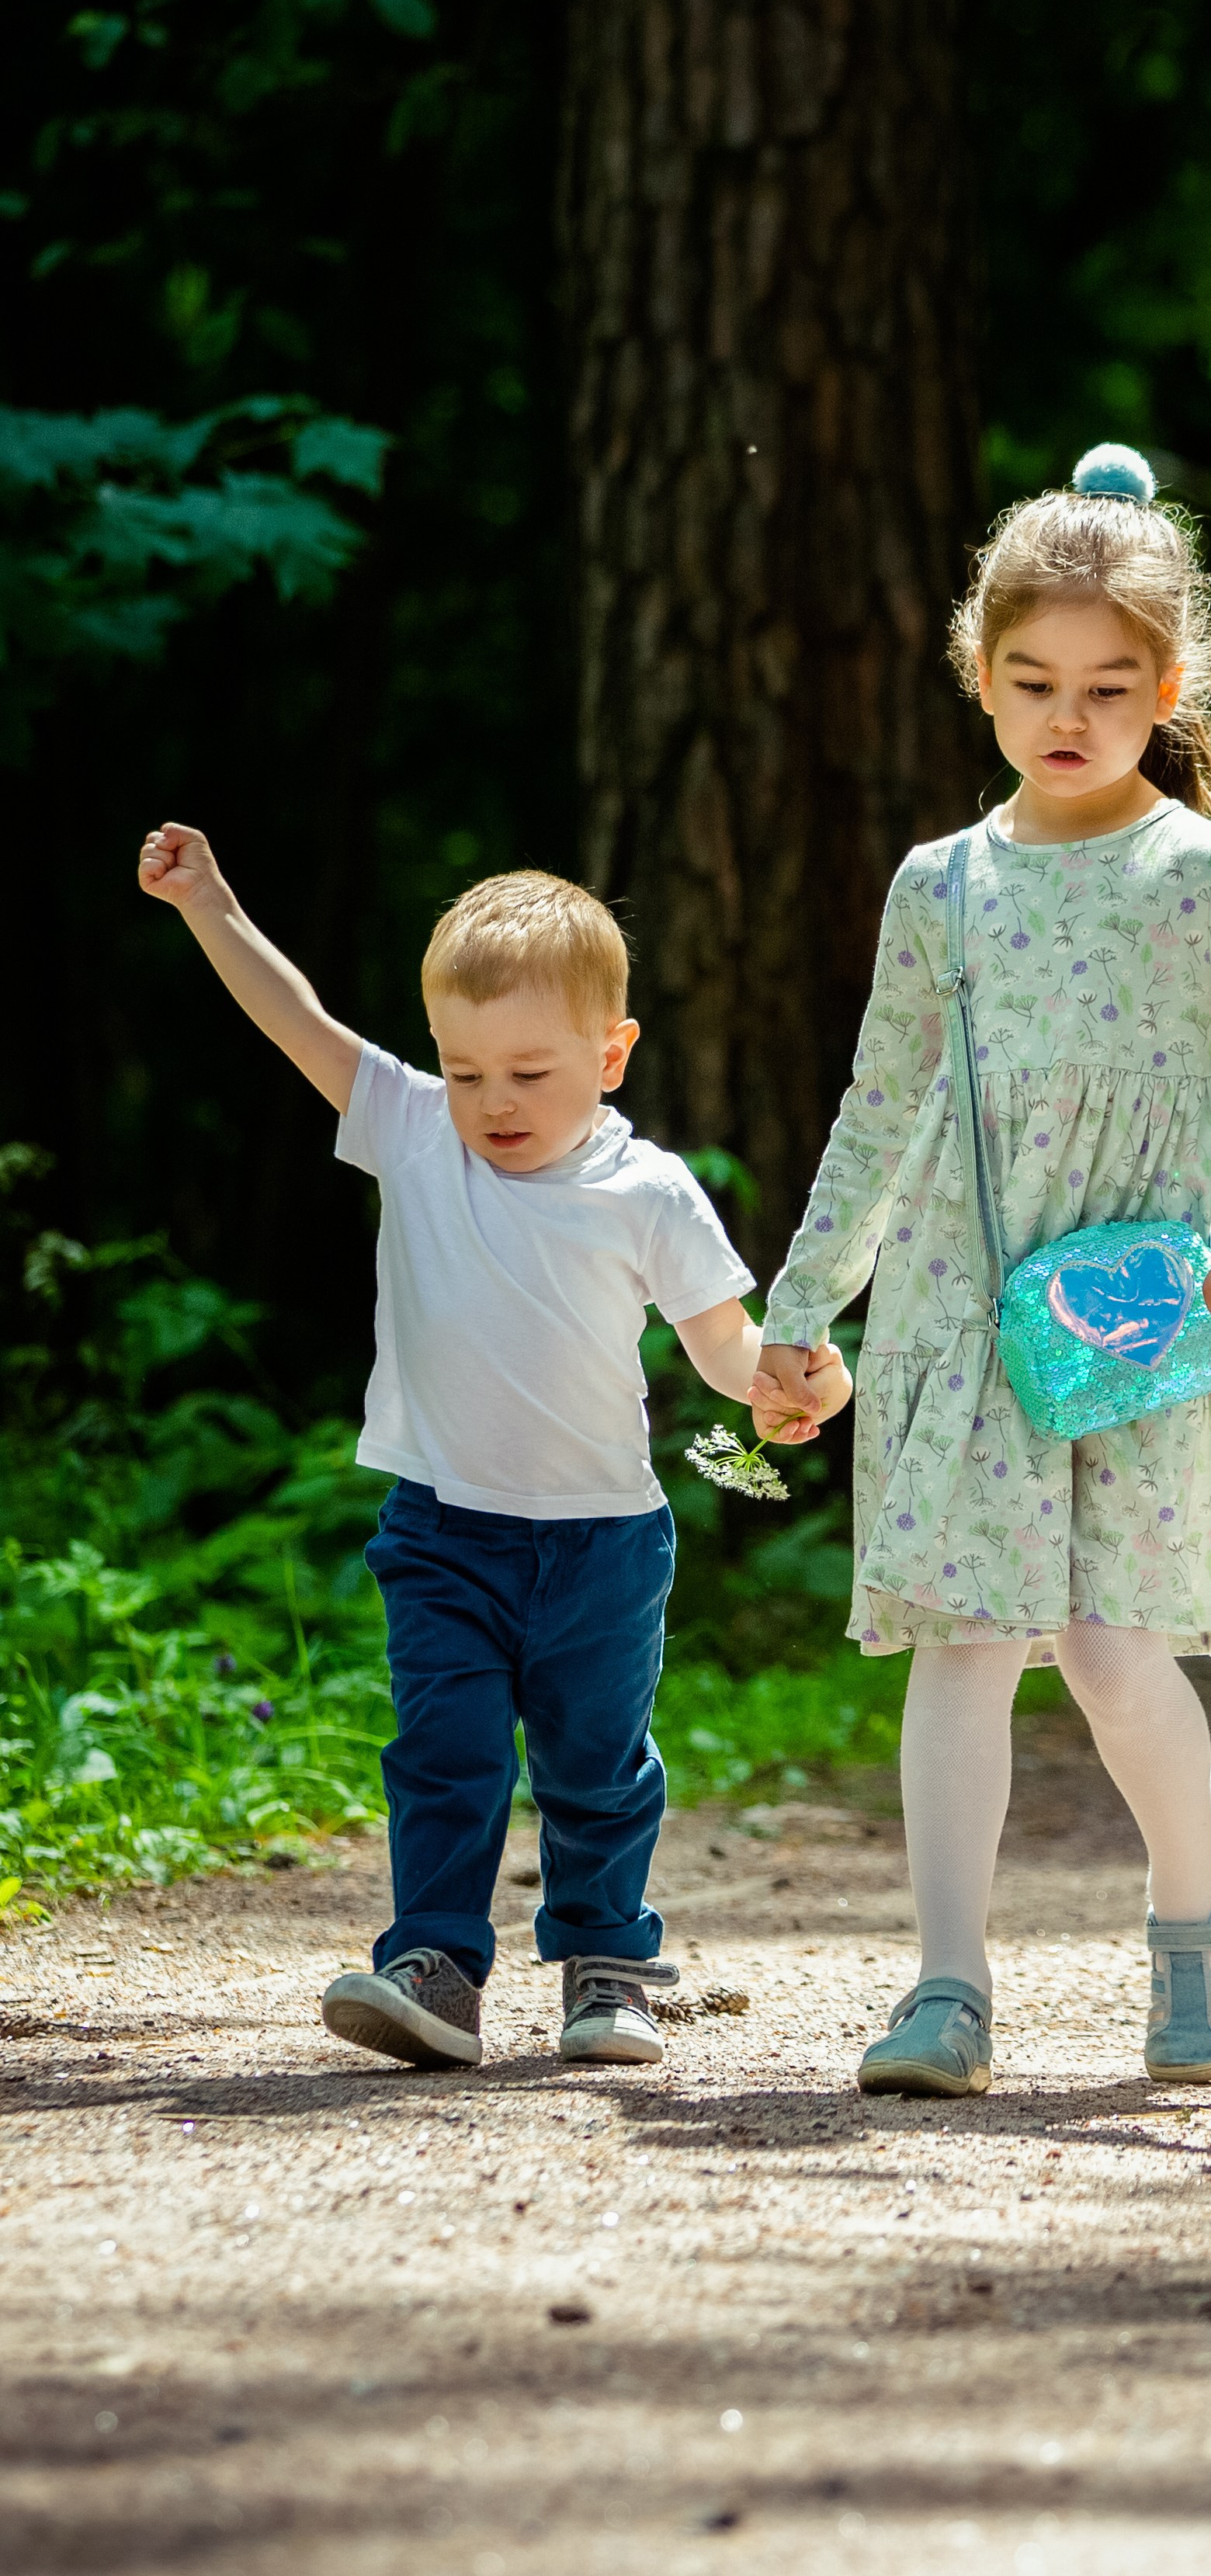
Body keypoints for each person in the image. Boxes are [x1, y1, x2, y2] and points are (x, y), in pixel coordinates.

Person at [749, 443, 1211, 2098]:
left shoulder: (1197, 874)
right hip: (959, 1313)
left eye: (1108, 685)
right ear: (980, 671)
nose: (1067, 714)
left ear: (1165, 687)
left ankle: (1195, 1922)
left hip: (1137, 1316)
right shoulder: (939, 887)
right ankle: (946, 1988)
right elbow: (876, 1115)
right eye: (1030, 680)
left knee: (1104, 1644)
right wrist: (799, 1316)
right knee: (962, 1637)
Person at [136, 827, 846, 2072]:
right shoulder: (413, 1132)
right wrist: (209, 902)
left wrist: (791, 1382)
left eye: (527, 1073)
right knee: (444, 1753)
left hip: (604, 1544)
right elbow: (292, 1018)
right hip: (442, 1527)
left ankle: (608, 1969)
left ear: (612, 1055)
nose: (492, 1104)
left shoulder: (651, 1192)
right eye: (465, 1074)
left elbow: (726, 1351)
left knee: (598, 1766)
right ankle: (435, 1968)